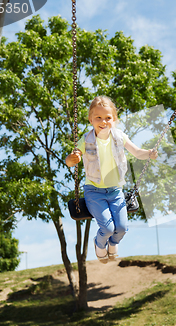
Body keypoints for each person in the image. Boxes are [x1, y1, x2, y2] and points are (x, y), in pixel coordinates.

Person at [65, 96, 158, 263]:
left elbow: (137, 152)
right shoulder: (86, 140)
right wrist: (72, 159)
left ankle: (113, 244)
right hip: (94, 192)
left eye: (108, 117)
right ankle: (100, 245)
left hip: (115, 191)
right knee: (107, 228)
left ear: (114, 119)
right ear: (91, 119)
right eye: (98, 117)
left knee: (121, 228)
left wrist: (149, 153)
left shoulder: (119, 136)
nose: (103, 121)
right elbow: (71, 159)